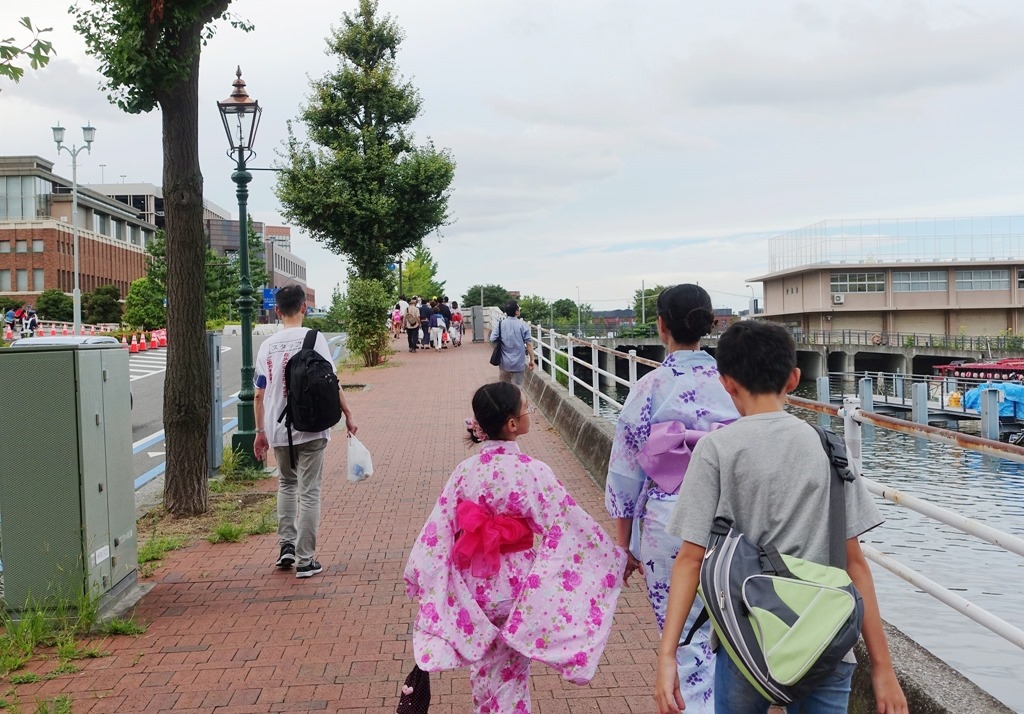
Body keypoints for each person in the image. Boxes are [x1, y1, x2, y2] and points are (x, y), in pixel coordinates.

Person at [654, 320, 908, 714]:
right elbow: (855, 564)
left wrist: (668, 655)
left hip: (745, 640)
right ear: (794, 378)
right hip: (826, 638)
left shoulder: (716, 449)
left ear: (726, 383)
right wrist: (882, 668)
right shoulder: (830, 448)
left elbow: (690, 559)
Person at [404, 382, 627, 713]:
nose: (529, 414)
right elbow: (567, 522)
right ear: (512, 424)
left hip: (475, 585)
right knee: (512, 672)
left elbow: (438, 532)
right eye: (526, 409)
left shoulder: (464, 472)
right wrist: (614, 559)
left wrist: (420, 576)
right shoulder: (532, 471)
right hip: (517, 586)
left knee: (484, 666)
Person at [604, 284, 738, 713]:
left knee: (683, 637)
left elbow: (625, 472)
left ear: (661, 326)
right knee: (735, 636)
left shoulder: (650, 387)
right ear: (709, 324)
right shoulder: (735, 384)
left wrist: (624, 546)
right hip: (733, 520)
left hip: (670, 521)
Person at [253, 284, 358, 579]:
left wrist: (260, 431)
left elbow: (259, 394)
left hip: (277, 427)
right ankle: (305, 559)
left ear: (277, 311)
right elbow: (331, 380)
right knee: (309, 491)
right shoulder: (314, 338)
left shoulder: (266, 346)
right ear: (304, 308)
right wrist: (348, 414)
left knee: (286, 484)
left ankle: (286, 546)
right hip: (311, 426)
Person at [489, 300, 535, 387]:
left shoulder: (500, 324)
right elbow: (529, 344)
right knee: (517, 387)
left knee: (504, 388)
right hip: (518, 363)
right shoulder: (523, 325)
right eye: (519, 309)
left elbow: (492, 338)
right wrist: (532, 359)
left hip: (504, 362)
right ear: (516, 312)